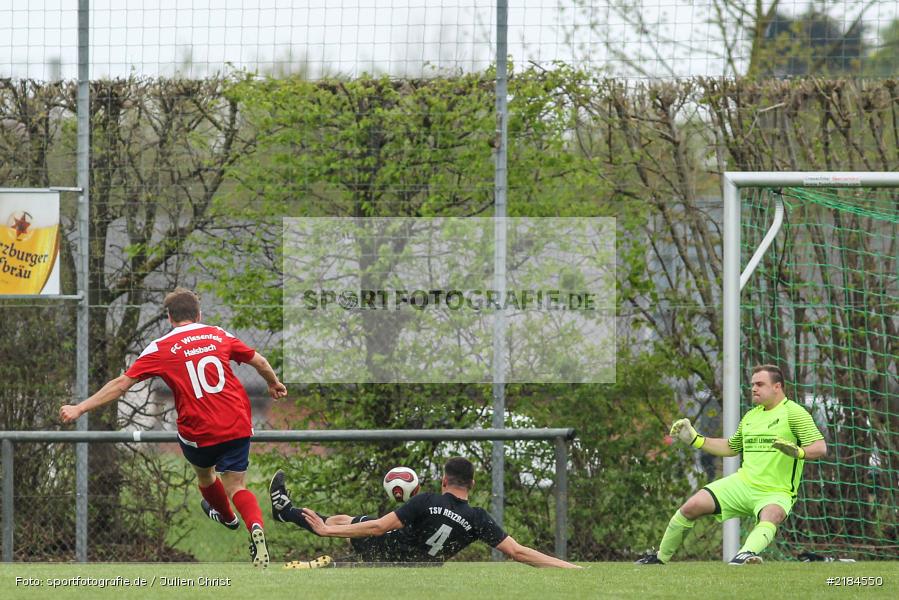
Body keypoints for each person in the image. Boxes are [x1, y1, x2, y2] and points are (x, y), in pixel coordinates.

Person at [59, 287, 287, 568]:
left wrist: (79, 408)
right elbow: (260, 361)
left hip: (199, 431)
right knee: (237, 485)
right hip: (236, 421)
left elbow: (121, 385)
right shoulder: (217, 334)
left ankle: (228, 518)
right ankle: (255, 527)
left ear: (169, 318)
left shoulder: (161, 348)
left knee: (205, 477)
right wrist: (273, 383)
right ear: (198, 314)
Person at [636, 364, 827, 566]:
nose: (754, 389)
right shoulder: (751, 416)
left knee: (772, 514)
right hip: (743, 484)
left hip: (776, 491)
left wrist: (800, 452)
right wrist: (695, 439)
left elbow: (820, 447)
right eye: (752, 384)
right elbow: (731, 447)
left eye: (760, 384)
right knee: (692, 506)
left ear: (777, 387)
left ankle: (746, 554)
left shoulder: (794, 413)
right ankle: (659, 558)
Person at [269, 457, 579, 568]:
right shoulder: (478, 519)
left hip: (388, 551)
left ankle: (285, 512)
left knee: (338, 521)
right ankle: (287, 511)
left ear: (444, 480)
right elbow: (519, 552)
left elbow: (378, 527)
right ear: (472, 483)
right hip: (426, 566)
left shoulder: (426, 500)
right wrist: (567, 567)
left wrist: (328, 531)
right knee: (343, 523)